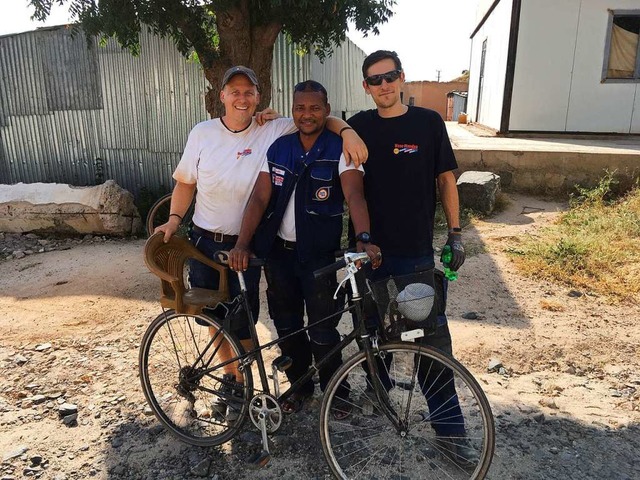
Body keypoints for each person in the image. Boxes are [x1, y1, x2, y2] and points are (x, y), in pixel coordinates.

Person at [155, 66, 368, 419]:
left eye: (248, 92)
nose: (241, 98)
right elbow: (188, 184)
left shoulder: (275, 128)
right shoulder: (206, 133)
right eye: (234, 91)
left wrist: (348, 131)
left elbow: (319, 122)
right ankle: (236, 380)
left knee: (260, 320)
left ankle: (308, 387)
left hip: (265, 248)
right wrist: (175, 219)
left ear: (258, 97)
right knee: (218, 320)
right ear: (221, 96)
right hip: (210, 242)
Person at [347, 50, 476, 465]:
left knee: (429, 344)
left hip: (415, 255)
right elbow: (317, 121)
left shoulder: (427, 123)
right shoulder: (359, 126)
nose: (383, 85)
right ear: (366, 87)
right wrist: (342, 128)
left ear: (401, 78)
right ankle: (379, 395)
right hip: (368, 255)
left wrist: (455, 235)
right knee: (371, 332)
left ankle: (451, 433)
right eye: (374, 80)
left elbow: (445, 180)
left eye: (389, 77)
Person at [228, 80, 381, 416]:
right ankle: (299, 387)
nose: (307, 114)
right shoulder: (280, 149)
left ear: (326, 111)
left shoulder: (340, 149)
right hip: (279, 255)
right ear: (292, 110)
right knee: (287, 325)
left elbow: (355, 196)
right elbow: (259, 197)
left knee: (323, 328)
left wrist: (363, 240)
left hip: (319, 256)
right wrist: (242, 243)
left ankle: (335, 392)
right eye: (300, 108)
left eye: (314, 108)